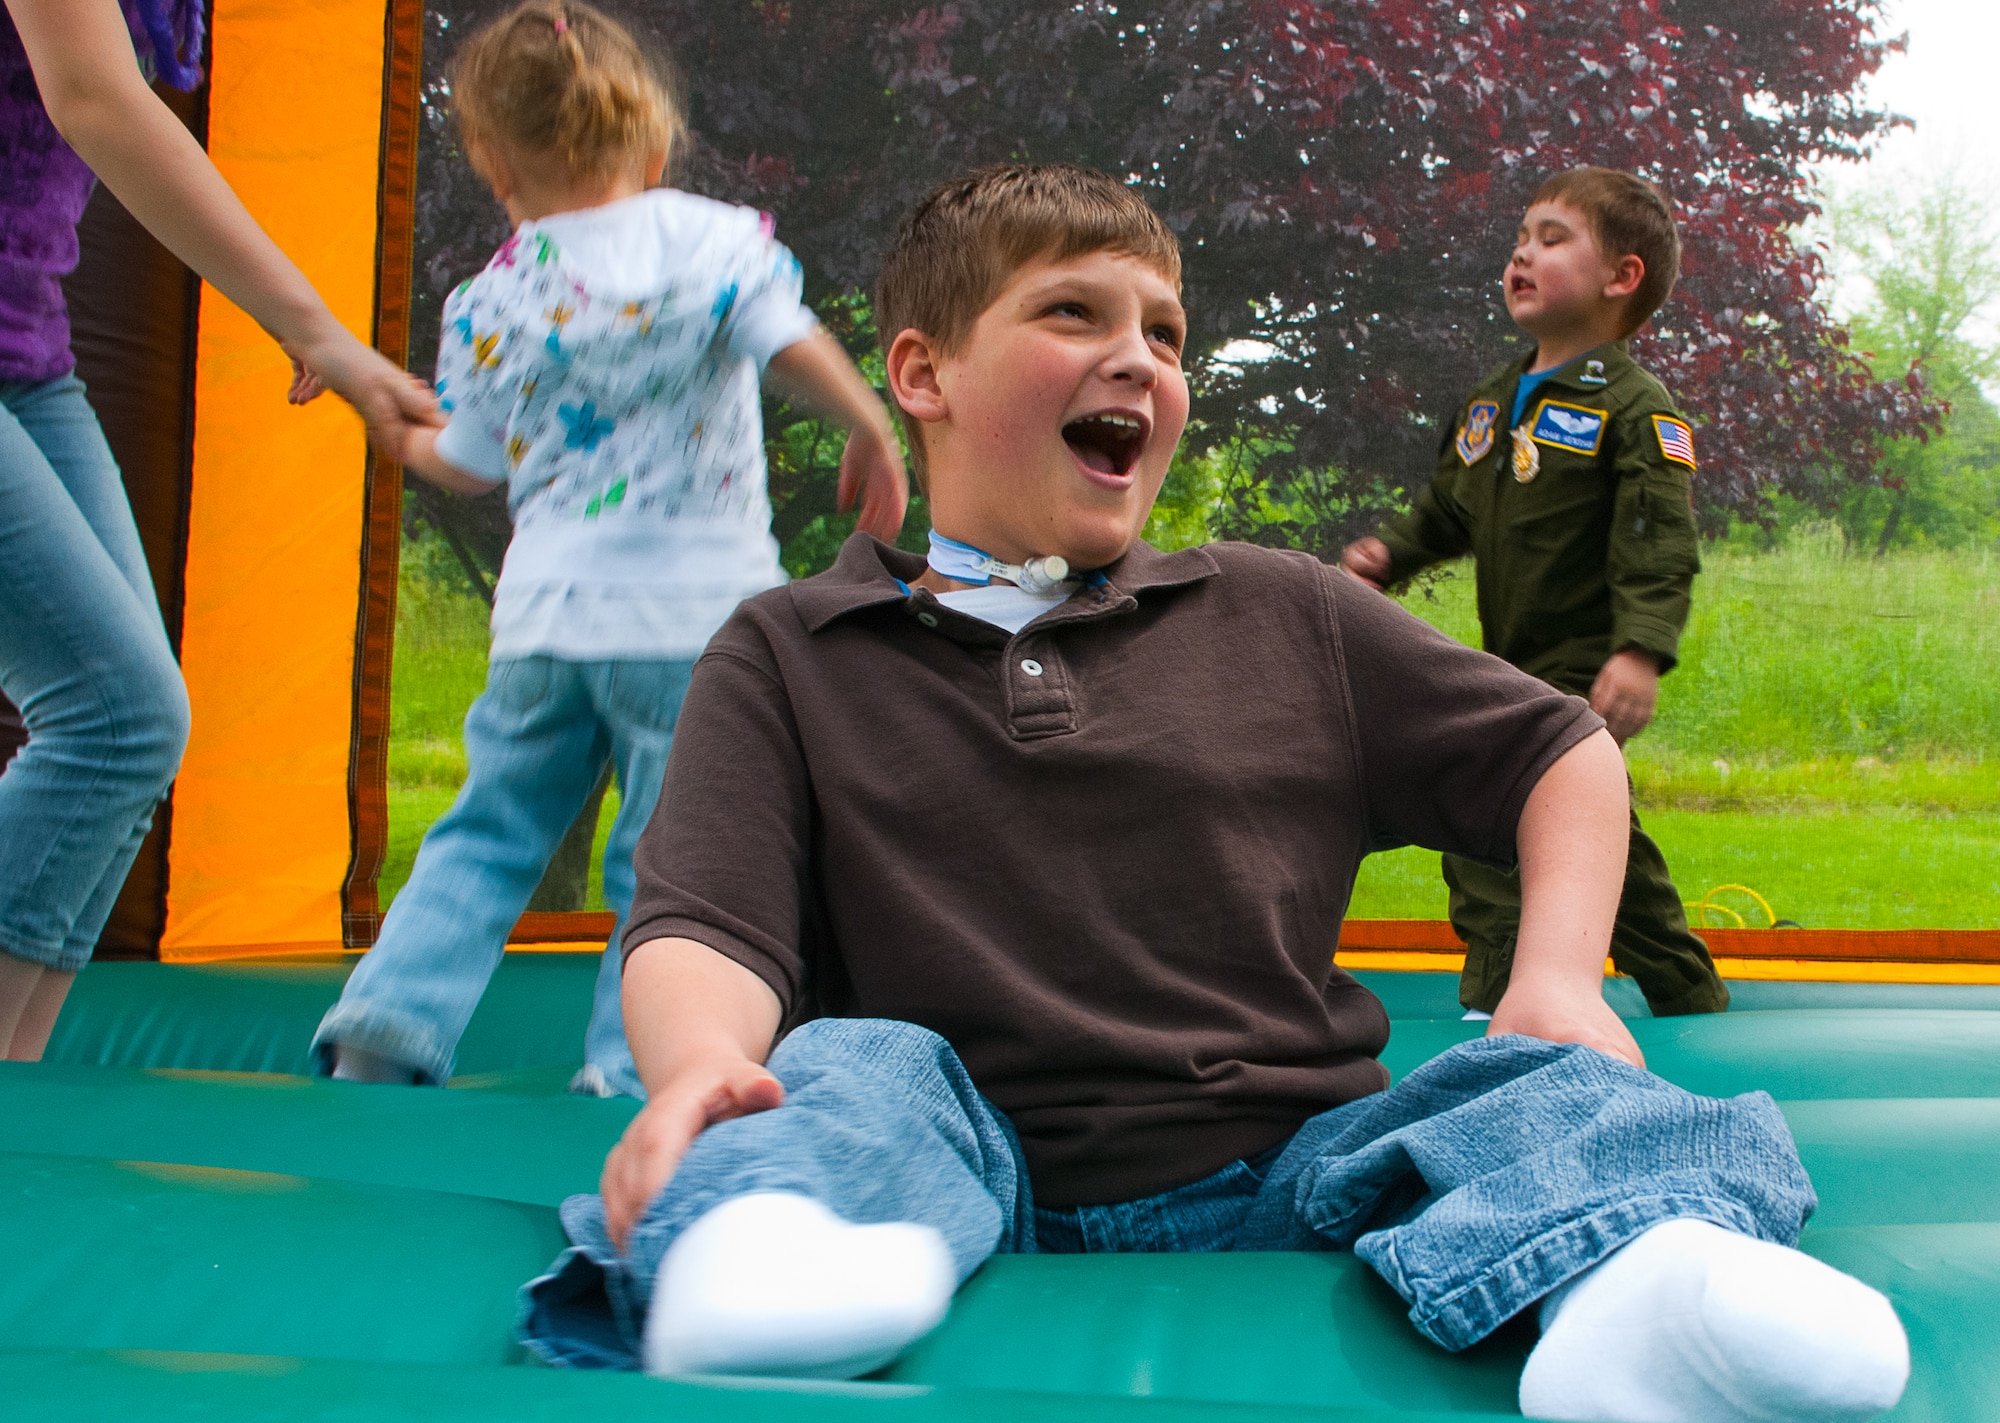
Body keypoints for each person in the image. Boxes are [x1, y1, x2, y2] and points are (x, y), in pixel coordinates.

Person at [518, 164, 1909, 1423]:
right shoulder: (791, 648)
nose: (1138, 355)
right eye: (1074, 312)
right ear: (922, 373)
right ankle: (768, 1250)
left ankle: (1640, 1297)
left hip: (1296, 1161)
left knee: (1531, 1089)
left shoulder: (1275, 609)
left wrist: (1554, 975)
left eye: (1166, 334)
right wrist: (701, 1063)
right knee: (838, 1070)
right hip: (958, 1160)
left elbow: (1560, 751)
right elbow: (710, 917)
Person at [309, 1, 907, 1098]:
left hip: (544, 623)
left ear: (491, 159)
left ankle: (382, 1027)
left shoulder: (492, 296)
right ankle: (628, 1066)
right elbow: (784, 340)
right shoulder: (708, 240)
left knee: (486, 829)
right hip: (694, 625)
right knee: (668, 854)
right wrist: (868, 421)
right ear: (653, 136)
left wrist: (384, 416)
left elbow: (469, 460)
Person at [1, 0, 438, 1061]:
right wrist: (311, 326)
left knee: (135, 735)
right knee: (118, 716)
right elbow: (99, 99)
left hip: (25, 345)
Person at [1343, 168, 1730, 1021]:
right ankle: (1684, 983)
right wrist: (1388, 555)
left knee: (1496, 808)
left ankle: (1499, 1001)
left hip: (1579, 660)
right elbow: (1451, 510)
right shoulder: (1491, 404)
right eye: (1522, 238)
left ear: (1621, 278)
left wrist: (1639, 649)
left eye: (1553, 238)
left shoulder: (1634, 409)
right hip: (1508, 654)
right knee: (1594, 831)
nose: (1523, 253)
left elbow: (1657, 541)